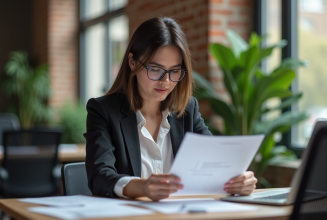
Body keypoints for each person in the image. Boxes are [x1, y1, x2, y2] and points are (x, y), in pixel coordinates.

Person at [84, 17, 257, 201]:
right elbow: (99, 176)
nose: (165, 81)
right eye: (156, 69)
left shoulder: (187, 110)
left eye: (175, 71)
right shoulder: (103, 110)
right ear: (132, 62)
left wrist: (238, 181)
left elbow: (214, 164)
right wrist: (142, 187)